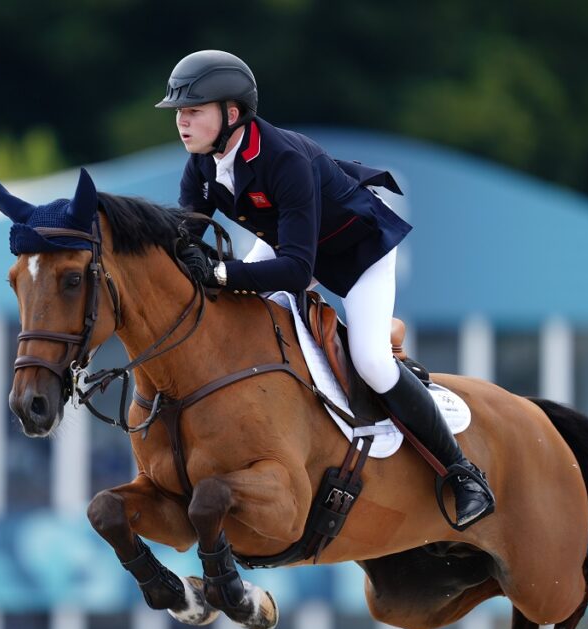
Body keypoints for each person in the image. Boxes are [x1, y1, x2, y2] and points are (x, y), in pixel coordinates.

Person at [157, 50, 494, 531]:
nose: (182, 122)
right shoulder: (202, 165)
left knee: (371, 361)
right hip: (291, 245)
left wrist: (223, 275)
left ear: (232, 113)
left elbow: (297, 272)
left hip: (358, 252)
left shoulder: (284, 160)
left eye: (193, 111)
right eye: (179, 113)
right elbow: (185, 236)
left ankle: (463, 473)